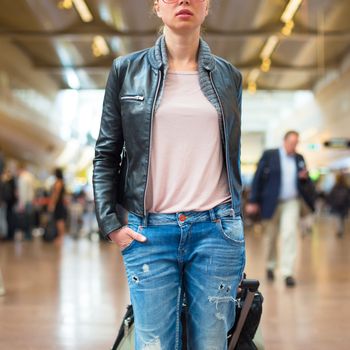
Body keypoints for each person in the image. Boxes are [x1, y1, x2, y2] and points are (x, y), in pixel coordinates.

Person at [93, 0, 244, 348]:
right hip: (150, 234)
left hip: (216, 231)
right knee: (155, 343)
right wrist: (111, 224)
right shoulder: (126, 70)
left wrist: (235, 221)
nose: (184, 0)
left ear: (207, 8)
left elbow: (231, 155)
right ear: (157, 6)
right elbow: (106, 154)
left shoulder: (228, 76)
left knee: (211, 343)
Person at [246, 131, 315, 287]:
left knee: (289, 234)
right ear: (284, 141)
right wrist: (253, 200)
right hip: (271, 202)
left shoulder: (299, 158)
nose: (293, 146)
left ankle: (287, 272)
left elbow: (306, 182)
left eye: (296, 143)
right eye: (291, 142)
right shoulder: (270, 155)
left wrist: (305, 178)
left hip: (292, 201)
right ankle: (270, 265)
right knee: (271, 236)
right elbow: (258, 178)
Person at [327, 172, 349, 238]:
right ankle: (341, 229)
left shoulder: (335, 187)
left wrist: (330, 203)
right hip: (344, 206)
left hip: (337, 206)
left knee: (338, 218)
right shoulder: (346, 187)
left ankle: (340, 230)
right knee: (342, 219)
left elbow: (330, 196)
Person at [16, 164, 35, 240]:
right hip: (31, 200)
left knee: (25, 219)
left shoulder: (22, 178)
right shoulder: (30, 176)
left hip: (26, 201)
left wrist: (21, 204)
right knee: (30, 219)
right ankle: (29, 235)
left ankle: (27, 235)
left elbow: (22, 192)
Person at [48, 168, 66, 244]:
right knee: (60, 220)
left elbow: (56, 194)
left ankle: (60, 237)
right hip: (60, 203)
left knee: (59, 220)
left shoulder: (58, 182)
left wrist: (52, 204)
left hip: (58, 204)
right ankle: (60, 237)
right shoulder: (62, 182)